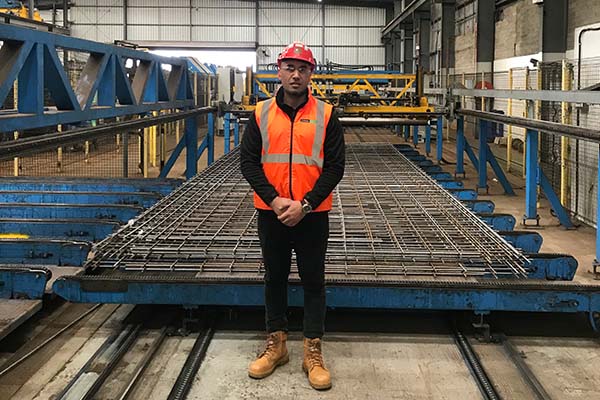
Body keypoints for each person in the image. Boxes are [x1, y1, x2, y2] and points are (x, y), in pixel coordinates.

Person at [240, 41, 345, 390]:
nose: (296, 74)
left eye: (303, 68)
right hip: (272, 213)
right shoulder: (261, 113)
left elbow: (335, 167)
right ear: (279, 71)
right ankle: (277, 345)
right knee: (275, 277)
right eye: (290, 67)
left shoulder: (327, 115)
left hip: (312, 214)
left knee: (314, 280)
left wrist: (306, 205)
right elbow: (248, 163)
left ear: (311, 73)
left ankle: (312, 350)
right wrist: (274, 201)